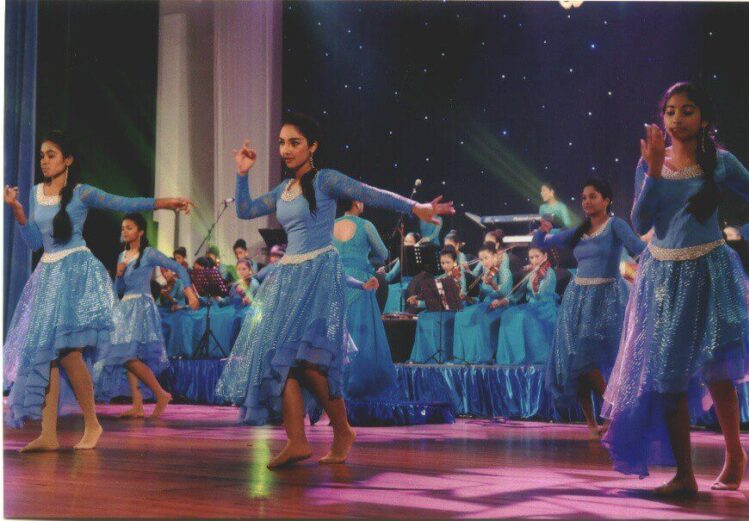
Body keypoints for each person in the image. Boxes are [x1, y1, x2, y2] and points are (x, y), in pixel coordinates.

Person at [214, 113, 453, 469]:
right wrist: (242, 174)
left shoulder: (325, 180)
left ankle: (343, 431)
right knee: (280, 359)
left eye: (294, 143)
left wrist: (414, 207)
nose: (286, 149)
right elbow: (246, 210)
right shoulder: (284, 189)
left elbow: (369, 192)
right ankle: (297, 441)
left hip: (318, 274)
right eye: (281, 143)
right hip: (288, 278)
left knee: (311, 363)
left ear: (312, 146)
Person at [602, 82, 749, 496]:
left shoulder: (721, 162)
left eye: (687, 110)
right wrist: (654, 170)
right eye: (671, 111)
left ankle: (735, 454)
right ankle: (684, 475)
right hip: (663, 277)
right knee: (667, 374)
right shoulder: (649, 163)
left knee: (718, 370)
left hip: (710, 270)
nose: (677, 119)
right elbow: (640, 222)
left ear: (704, 118)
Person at [3, 130, 193, 451]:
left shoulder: (82, 193)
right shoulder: (36, 193)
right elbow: (35, 243)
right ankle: (48, 434)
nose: (44, 161)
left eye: (51, 155)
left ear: (67, 160)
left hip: (75, 272)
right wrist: (18, 211)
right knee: (48, 355)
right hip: (47, 274)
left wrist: (164, 203)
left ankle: (92, 423)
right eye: (42, 155)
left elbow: (123, 202)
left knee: (69, 352)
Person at [533, 179, 645, 438]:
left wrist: (664, 252)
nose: (586, 201)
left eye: (593, 196)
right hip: (577, 298)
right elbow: (544, 242)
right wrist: (541, 230)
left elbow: (639, 248)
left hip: (606, 299)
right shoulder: (579, 230)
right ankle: (593, 423)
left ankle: (615, 415)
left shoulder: (615, 225)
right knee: (577, 362)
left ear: (606, 200)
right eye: (584, 197)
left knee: (589, 360)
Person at [94, 213, 199, 418]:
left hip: (141, 306)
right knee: (129, 355)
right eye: (123, 228)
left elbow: (178, 267)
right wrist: (118, 274)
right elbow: (119, 290)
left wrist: (189, 293)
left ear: (140, 231)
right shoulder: (122, 256)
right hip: (125, 307)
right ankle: (138, 404)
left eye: (129, 228)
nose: (125, 231)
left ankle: (160, 394)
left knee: (127, 355)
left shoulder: (148, 253)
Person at [333, 199, 398, 399]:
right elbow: (384, 253)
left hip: (337, 281)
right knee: (362, 335)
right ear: (355, 202)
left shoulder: (331, 225)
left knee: (340, 333)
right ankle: (360, 387)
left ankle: (337, 388)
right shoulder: (366, 225)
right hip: (361, 282)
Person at [496, 246, 559, 365]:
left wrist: (535, 282)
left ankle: (524, 357)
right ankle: (510, 357)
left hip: (544, 308)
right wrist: (506, 300)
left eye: (537, 256)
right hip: (531, 306)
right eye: (531, 257)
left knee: (522, 317)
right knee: (507, 314)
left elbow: (541, 295)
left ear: (545, 256)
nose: (534, 260)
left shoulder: (549, 273)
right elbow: (519, 293)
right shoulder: (532, 272)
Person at [452, 241, 512, 364]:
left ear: (495, 256)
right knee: (460, 315)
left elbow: (505, 293)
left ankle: (479, 356)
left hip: (499, 306)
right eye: (481, 259)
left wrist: (493, 284)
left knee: (478, 316)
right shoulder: (485, 273)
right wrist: (466, 298)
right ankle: (463, 356)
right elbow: (479, 299)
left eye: (486, 258)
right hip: (484, 305)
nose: (484, 262)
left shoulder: (504, 271)